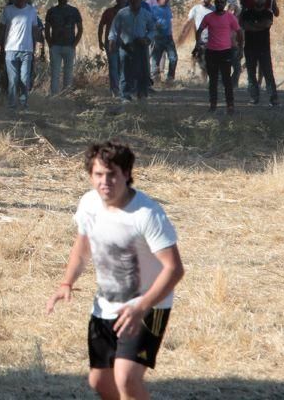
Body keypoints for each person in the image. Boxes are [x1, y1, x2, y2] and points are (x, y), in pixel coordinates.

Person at [46, 140, 184, 400]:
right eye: (98, 174)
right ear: (90, 176)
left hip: (148, 308)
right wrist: (66, 283)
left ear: (127, 174)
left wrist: (142, 306)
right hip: (105, 306)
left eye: (112, 174)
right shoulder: (88, 204)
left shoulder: (147, 214)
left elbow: (174, 269)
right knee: (100, 382)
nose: (105, 182)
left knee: (127, 378)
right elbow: (82, 248)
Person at [0, 0, 40, 110]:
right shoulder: (8, 10)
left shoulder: (32, 11)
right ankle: (12, 106)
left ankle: (24, 104)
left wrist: (36, 46)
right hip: (10, 49)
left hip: (27, 50)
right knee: (13, 80)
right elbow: (2, 28)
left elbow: (35, 29)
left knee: (25, 79)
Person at [197, 0, 242, 115]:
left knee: (227, 80)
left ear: (224, 4)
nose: (220, 4)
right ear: (215, 3)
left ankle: (230, 105)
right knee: (213, 80)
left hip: (225, 52)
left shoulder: (230, 17)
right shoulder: (208, 17)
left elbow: (239, 32)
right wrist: (198, 43)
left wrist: (240, 47)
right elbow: (199, 30)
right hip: (211, 52)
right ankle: (213, 105)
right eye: (218, 2)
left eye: (223, 2)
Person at [108, 0, 154, 102]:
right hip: (125, 46)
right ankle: (125, 96)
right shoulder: (122, 13)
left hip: (141, 45)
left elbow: (153, 29)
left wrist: (147, 38)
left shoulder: (145, 14)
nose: (134, 0)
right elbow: (114, 28)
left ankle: (142, 95)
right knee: (125, 72)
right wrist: (112, 41)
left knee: (142, 72)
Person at [240, 0, 279, 107]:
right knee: (251, 74)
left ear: (265, 0)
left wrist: (253, 26)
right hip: (250, 48)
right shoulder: (247, 13)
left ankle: (273, 99)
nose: (260, 0)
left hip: (264, 48)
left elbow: (266, 24)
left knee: (268, 73)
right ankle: (254, 98)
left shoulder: (268, 13)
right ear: (254, 0)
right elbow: (243, 25)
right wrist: (259, 26)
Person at [44, 0, 83, 94]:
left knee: (68, 73)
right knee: (55, 73)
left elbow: (80, 29)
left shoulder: (74, 11)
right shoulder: (51, 11)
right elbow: (47, 29)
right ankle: (54, 97)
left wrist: (74, 44)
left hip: (69, 46)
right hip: (55, 46)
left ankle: (67, 95)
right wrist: (50, 44)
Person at [98, 0, 127, 97]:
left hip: (124, 43)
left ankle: (119, 87)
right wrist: (100, 40)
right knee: (113, 66)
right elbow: (101, 25)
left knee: (121, 66)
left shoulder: (128, 12)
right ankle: (115, 89)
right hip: (111, 42)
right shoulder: (109, 12)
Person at [178, 0, 213, 79]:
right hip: (200, 39)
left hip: (212, 39)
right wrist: (183, 32)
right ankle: (198, 77)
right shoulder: (196, 9)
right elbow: (189, 21)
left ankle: (206, 80)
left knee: (209, 61)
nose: (204, 0)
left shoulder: (214, 9)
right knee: (199, 58)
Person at [149, 0, 177, 83]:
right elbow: (148, 22)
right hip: (157, 37)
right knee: (155, 59)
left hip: (168, 37)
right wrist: (155, 25)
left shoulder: (168, 8)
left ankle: (170, 78)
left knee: (173, 58)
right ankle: (155, 79)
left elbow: (169, 20)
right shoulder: (153, 9)